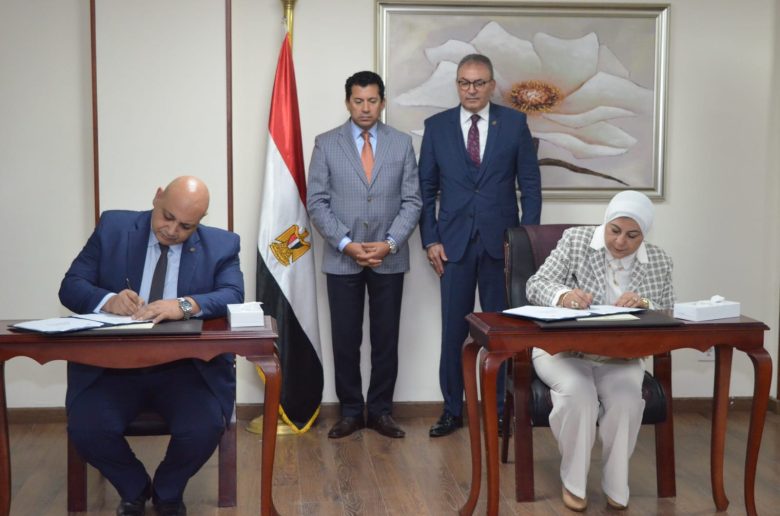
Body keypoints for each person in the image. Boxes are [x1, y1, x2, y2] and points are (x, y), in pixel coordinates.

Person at [59, 176, 244, 516]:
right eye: (167, 217)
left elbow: (233, 294)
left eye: (186, 226)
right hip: (113, 368)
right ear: (157, 197)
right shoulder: (113, 228)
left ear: (200, 221)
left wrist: (184, 305)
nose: (172, 231)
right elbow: (71, 286)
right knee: (87, 427)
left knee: (204, 426)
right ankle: (134, 487)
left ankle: (167, 491)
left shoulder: (222, 244)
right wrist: (107, 300)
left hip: (185, 369)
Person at [526, 190, 674, 511]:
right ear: (605, 223)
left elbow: (668, 311)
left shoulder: (659, 260)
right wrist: (564, 296)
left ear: (644, 234)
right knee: (578, 395)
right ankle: (574, 483)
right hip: (562, 351)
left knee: (627, 400)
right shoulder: (576, 241)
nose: (620, 242)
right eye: (614, 230)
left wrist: (644, 303)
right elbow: (536, 284)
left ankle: (616, 484)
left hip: (620, 356)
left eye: (632, 235)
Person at [418, 54, 542, 437]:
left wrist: (524, 241)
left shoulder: (515, 124)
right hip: (452, 247)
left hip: (500, 247)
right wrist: (430, 239)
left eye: (478, 82)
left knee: (501, 333)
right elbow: (425, 191)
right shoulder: (437, 127)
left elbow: (530, 186)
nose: (471, 89)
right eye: (464, 82)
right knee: (453, 332)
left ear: (491, 85)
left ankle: (501, 411)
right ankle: (452, 410)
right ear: (457, 85)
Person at [307, 71, 422, 439]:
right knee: (345, 339)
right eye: (358, 101)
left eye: (372, 100)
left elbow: (413, 201)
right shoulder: (326, 144)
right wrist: (345, 243)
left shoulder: (401, 144)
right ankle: (351, 412)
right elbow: (317, 202)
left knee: (386, 339)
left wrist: (390, 242)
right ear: (347, 102)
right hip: (343, 256)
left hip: (390, 256)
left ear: (382, 102)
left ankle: (382, 412)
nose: (366, 108)